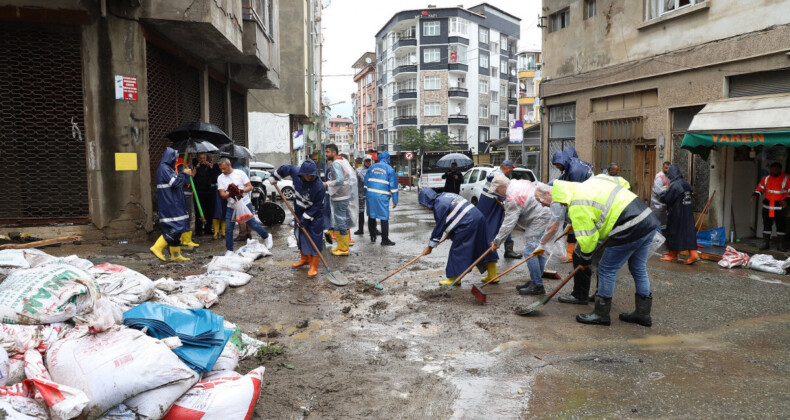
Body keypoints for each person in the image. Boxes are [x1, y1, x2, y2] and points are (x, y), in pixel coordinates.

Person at [536, 177, 660, 327]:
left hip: (629, 225)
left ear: (554, 195)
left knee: (606, 269)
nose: (559, 205)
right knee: (638, 268)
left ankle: (601, 314)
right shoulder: (590, 183)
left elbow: (589, 239)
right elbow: (623, 184)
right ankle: (643, 314)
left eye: (545, 202)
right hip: (647, 219)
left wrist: (585, 259)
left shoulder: (576, 204)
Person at [418, 189, 491, 286]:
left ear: (426, 200)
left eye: (423, 204)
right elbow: (455, 214)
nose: (424, 206)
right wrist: (450, 232)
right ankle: (493, 275)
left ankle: (453, 279)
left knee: (458, 250)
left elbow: (439, 227)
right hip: (479, 218)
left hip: (468, 223)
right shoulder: (447, 195)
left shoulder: (439, 205)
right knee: (482, 247)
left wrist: (430, 247)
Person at [492, 180, 553, 295]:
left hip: (541, 215)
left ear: (502, 186)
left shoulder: (512, 197)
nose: (497, 193)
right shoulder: (515, 184)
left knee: (530, 251)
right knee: (537, 250)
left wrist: (497, 241)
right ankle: (535, 281)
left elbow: (509, 223)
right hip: (545, 212)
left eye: (497, 190)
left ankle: (537, 285)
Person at [270, 160, 325, 278]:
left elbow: (317, 206)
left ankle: (314, 265)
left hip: (314, 215)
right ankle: (305, 258)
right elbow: (286, 168)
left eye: (312, 175)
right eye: (307, 174)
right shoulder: (296, 172)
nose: (309, 177)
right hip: (299, 211)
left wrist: (305, 219)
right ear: (302, 173)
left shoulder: (319, 187)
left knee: (315, 238)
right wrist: (275, 176)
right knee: (299, 235)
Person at [217, 158, 273, 254]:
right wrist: (231, 194)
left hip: (245, 203)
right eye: (221, 169)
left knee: (252, 224)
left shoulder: (240, 173)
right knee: (228, 228)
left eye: (224, 168)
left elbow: (250, 186)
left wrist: (240, 191)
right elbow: (222, 194)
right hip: (231, 205)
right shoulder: (220, 177)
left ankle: (266, 236)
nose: (223, 171)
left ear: (229, 165)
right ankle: (229, 250)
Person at [150, 147, 194, 262]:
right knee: (175, 227)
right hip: (170, 203)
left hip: (175, 202)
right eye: (174, 158)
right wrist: (184, 174)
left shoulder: (168, 169)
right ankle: (157, 247)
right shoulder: (164, 169)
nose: (175, 160)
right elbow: (175, 183)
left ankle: (175, 254)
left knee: (179, 228)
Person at [551, 146, 593, 261]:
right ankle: (574, 253)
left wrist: (567, 203)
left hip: (586, 200)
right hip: (585, 197)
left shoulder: (575, 171)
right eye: (555, 165)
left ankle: (575, 255)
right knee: (574, 227)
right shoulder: (572, 165)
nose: (557, 167)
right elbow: (560, 181)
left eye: (558, 164)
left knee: (578, 228)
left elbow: (575, 191)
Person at [479, 160, 522, 259]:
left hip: (492, 204)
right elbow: (500, 192)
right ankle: (488, 250)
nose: (512, 171)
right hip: (493, 205)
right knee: (495, 226)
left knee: (506, 224)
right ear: (507, 167)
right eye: (511, 168)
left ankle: (508, 250)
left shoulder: (496, 173)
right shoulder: (499, 176)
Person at [659, 165, 699, 264]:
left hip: (677, 213)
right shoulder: (685, 183)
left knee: (673, 232)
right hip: (687, 211)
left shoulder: (674, 185)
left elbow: (667, 198)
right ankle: (693, 254)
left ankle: (673, 255)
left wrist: (663, 192)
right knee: (688, 232)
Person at [323, 144, 358, 256]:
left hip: (340, 196)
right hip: (344, 195)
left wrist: (326, 183)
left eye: (328, 152)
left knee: (340, 221)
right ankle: (341, 246)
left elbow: (339, 180)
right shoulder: (343, 160)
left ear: (334, 152)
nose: (326, 154)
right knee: (339, 221)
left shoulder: (336, 164)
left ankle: (343, 249)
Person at [752, 162, 790, 251]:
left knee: (781, 226)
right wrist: (755, 195)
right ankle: (766, 243)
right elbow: (760, 189)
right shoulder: (766, 179)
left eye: (775, 169)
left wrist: (787, 201)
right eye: (772, 169)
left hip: (780, 207)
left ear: (780, 169)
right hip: (767, 206)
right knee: (766, 226)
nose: (773, 171)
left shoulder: (787, 179)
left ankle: (780, 245)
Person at [364, 151, 398, 245]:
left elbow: (366, 182)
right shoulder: (389, 169)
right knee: (384, 217)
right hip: (382, 196)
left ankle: (372, 236)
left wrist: (366, 194)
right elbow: (393, 187)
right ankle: (384, 240)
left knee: (372, 215)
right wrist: (395, 200)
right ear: (388, 159)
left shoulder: (372, 167)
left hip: (370, 195)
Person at [175, 155, 200, 249]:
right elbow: (183, 180)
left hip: (187, 193)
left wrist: (193, 171)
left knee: (187, 215)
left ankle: (186, 239)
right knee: (186, 215)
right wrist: (188, 173)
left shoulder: (183, 164)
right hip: (184, 193)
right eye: (188, 155)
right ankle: (185, 239)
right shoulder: (181, 165)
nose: (190, 157)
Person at [193, 153, 216, 237]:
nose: (202, 160)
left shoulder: (209, 167)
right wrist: (196, 167)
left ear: (206, 158)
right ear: (198, 159)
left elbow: (213, 176)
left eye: (204, 158)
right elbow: (192, 176)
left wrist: (210, 167)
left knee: (208, 212)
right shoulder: (196, 167)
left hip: (208, 193)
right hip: (198, 193)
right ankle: (198, 229)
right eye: (201, 158)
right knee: (199, 212)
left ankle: (208, 228)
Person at [231, 157, 251, 241]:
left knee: (241, 215)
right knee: (247, 214)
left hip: (239, 195)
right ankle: (248, 233)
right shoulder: (245, 167)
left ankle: (242, 234)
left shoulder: (235, 169)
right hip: (246, 195)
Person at [354, 154, 373, 236]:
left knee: (372, 212)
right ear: (363, 161)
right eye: (366, 161)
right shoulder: (358, 171)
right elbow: (354, 183)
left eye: (369, 161)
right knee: (361, 212)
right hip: (361, 194)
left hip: (371, 194)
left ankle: (373, 229)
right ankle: (360, 229)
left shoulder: (373, 170)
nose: (368, 162)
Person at [210, 157, 227, 240]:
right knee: (216, 211)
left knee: (223, 211)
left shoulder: (226, 172)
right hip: (216, 193)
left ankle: (223, 232)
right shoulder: (215, 169)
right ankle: (216, 232)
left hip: (224, 193)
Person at [651, 161, 671, 228]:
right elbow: (658, 191)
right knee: (656, 223)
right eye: (666, 168)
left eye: (669, 168)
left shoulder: (668, 176)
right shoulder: (659, 177)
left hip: (664, 204)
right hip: (657, 204)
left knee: (663, 224)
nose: (667, 169)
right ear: (662, 167)